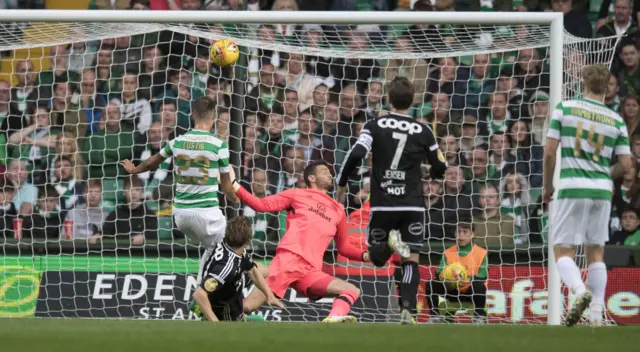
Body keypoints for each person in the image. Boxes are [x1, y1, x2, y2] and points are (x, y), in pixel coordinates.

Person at [335, 76, 447, 324]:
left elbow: (356, 154)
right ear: (413, 101)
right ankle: (407, 308)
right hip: (412, 205)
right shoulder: (424, 130)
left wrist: (342, 184)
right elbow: (440, 165)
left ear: (388, 99)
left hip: (383, 203)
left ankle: (390, 246)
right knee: (410, 259)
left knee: (376, 258)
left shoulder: (375, 125)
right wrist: (434, 171)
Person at [543, 64, 635, 327]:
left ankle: (579, 291)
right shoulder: (616, 119)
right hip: (602, 190)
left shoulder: (565, 109)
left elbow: (549, 154)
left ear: (583, 83)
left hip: (572, 185)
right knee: (596, 252)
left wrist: (548, 187)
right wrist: (605, 172)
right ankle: (596, 313)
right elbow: (627, 164)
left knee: (563, 249)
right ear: (607, 87)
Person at [230, 160, 371, 323]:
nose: (330, 174)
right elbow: (261, 205)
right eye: (324, 171)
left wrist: (366, 256)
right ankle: (213, 305)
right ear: (311, 178)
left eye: (330, 172)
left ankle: (333, 319)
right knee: (248, 307)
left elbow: (344, 247)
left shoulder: (338, 209)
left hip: (311, 271)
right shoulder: (296, 194)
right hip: (288, 261)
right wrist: (234, 185)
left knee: (351, 290)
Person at [121, 96, 238, 284]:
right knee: (235, 247)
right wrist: (235, 198)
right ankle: (215, 291)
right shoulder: (219, 145)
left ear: (192, 115)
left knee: (212, 248)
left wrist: (135, 169)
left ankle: (201, 287)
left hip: (180, 216)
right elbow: (226, 186)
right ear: (214, 116)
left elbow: (154, 160)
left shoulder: (177, 141)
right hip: (206, 214)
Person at [190, 216, 284, 322]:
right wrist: (215, 323)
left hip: (229, 283)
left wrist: (269, 295)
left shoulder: (233, 247)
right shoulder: (226, 268)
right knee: (257, 323)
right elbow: (198, 294)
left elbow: (253, 271)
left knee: (264, 270)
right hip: (222, 306)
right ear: (248, 241)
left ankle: (241, 314)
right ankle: (203, 309)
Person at [425, 221, 488, 323]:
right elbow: (439, 270)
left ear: (472, 234)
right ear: (455, 234)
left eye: (465, 232)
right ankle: (434, 316)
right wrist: (444, 276)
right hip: (451, 289)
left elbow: (483, 274)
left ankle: (478, 317)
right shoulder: (448, 252)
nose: (461, 235)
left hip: (470, 291)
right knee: (430, 284)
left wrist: (466, 279)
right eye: (458, 232)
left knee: (480, 285)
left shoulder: (481, 253)